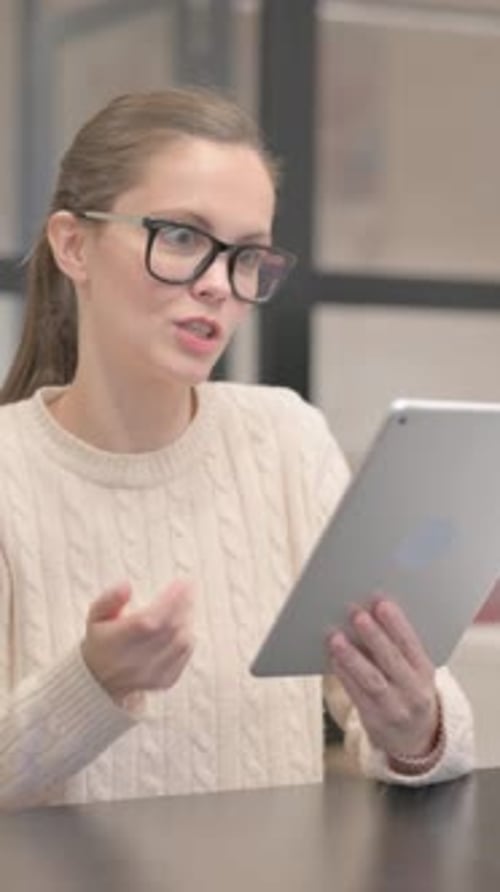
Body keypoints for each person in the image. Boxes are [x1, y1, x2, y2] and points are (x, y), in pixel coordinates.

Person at [0, 88, 473, 809]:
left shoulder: (284, 437)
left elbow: (439, 728)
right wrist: (92, 682)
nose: (220, 285)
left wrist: (418, 728)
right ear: (73, 245)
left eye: (247, 256)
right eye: (183, 237)